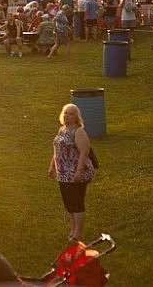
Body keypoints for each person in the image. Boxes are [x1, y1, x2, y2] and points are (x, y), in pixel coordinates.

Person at [50, 103, 95, 242]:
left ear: (77, 117)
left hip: (77, 173)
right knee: (69, 204)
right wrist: (52, 166)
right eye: (65, 113)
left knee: (76, 203)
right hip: (63, 174)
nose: (67, 116)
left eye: (70, 113)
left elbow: (84, 152)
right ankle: (73, 229)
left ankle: (78, 233)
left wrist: (79, 171)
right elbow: (57, 151)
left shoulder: (79, 131)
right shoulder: (62, 130)